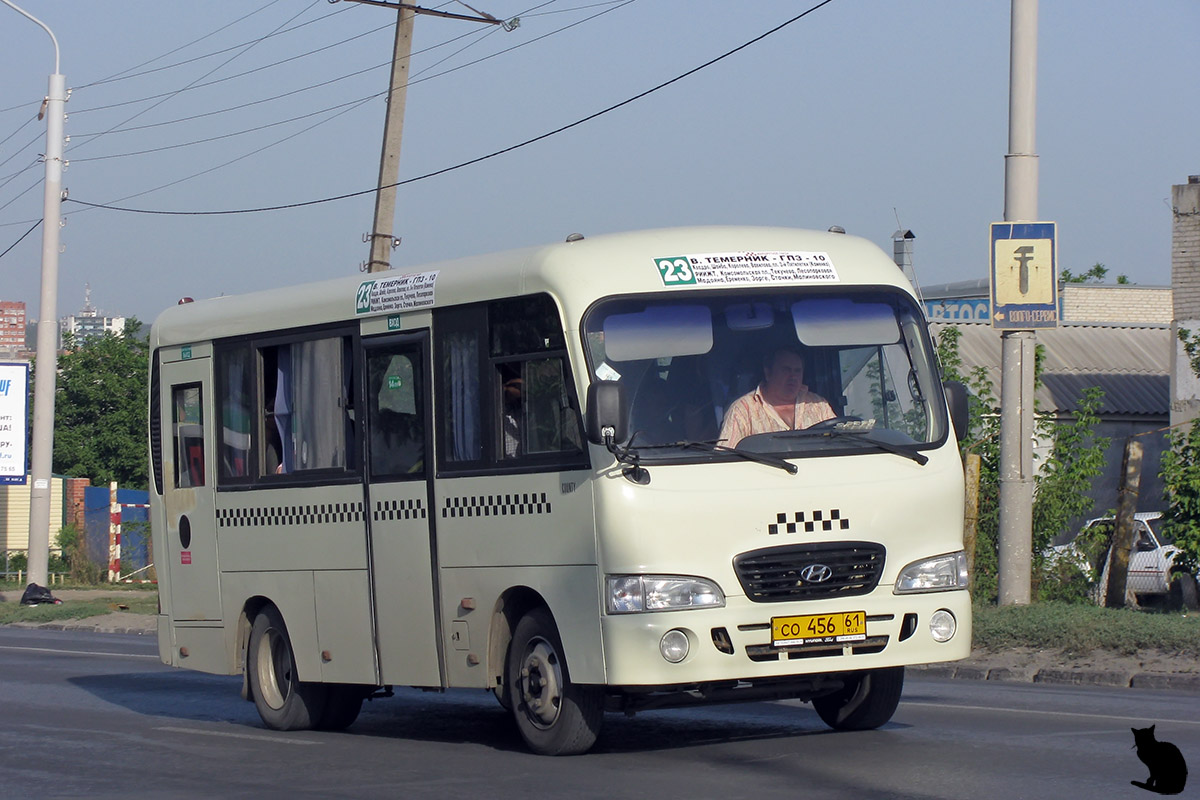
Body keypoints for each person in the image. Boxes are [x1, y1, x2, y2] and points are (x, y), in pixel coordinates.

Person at [718, 347, 835, 447]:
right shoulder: (743, 410)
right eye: (786, 370)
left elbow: (840, 441)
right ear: (768, 373)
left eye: (797, 371)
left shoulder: (819, 405)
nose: (793, 376)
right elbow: (725, 460)